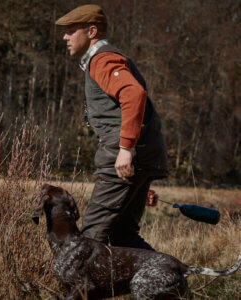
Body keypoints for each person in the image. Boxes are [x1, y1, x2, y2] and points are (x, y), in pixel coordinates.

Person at [55, 4, 169, 250]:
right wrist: (137, 179)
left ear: (92, 31)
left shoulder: (102, 59)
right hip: (140, 156)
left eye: (71, 30)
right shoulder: (105, 59)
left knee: (90, 237)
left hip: (124, 152)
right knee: (123, 236)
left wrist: (126, 149)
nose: (65, 36)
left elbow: (134, 94)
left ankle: (79, 289)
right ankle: (170, 285)